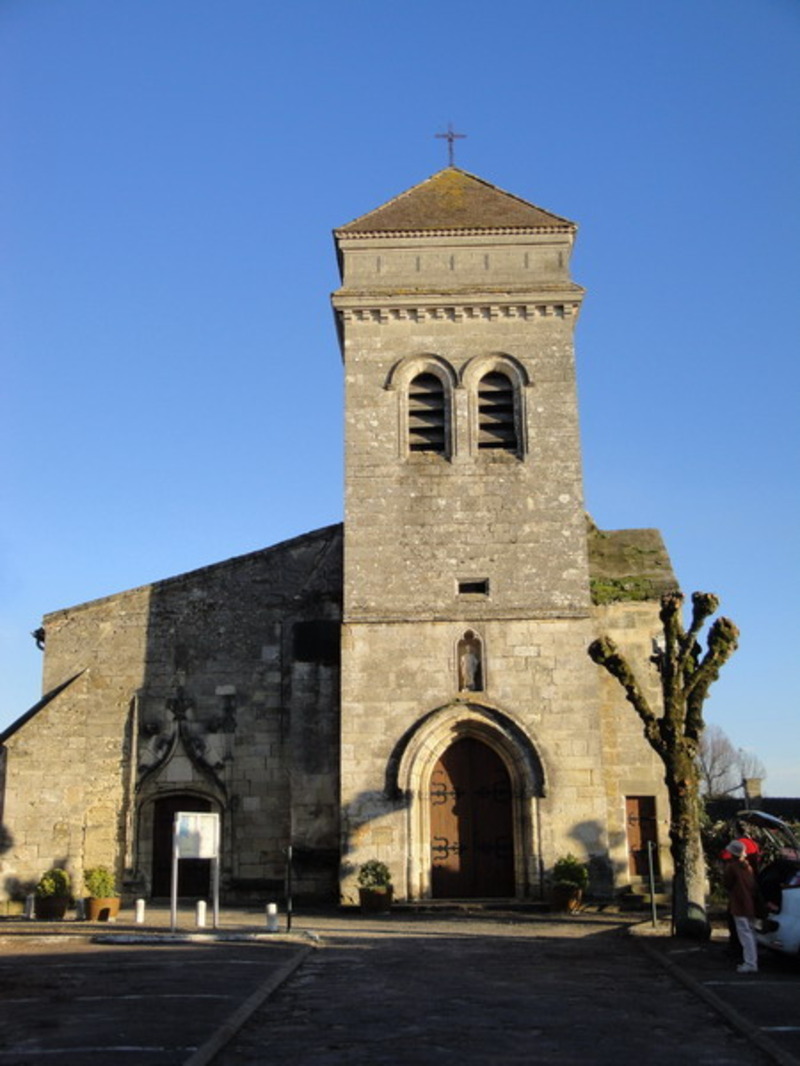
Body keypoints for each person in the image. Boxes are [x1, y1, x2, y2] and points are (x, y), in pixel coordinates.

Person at [723, 839, 759, 974]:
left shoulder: (732, 867)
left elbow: (727, 883)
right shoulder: (748, 867)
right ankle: (752, 960)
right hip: (749, 902)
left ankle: (750, 963)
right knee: (751, 932)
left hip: (739, 902)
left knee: (744, 933)